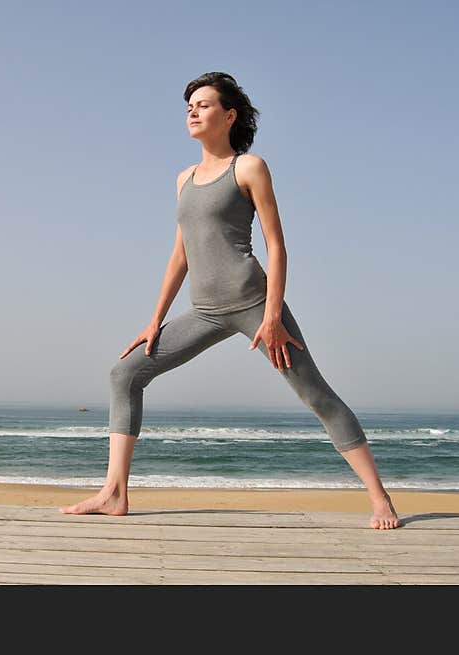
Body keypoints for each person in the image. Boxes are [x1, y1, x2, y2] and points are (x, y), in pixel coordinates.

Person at [60, 72, 400, 529]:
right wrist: (154, 320)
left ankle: (380, 500)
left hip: (253, 304)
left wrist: (273, 315)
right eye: (189, 107)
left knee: (316, 394)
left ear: (229, 115)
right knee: (125, 373)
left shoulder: (249, 167)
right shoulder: (183, 178)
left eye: (203, 104)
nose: (193, 112)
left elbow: (276, 244)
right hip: (203, 310)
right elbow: (180, 254)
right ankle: (114, 493)